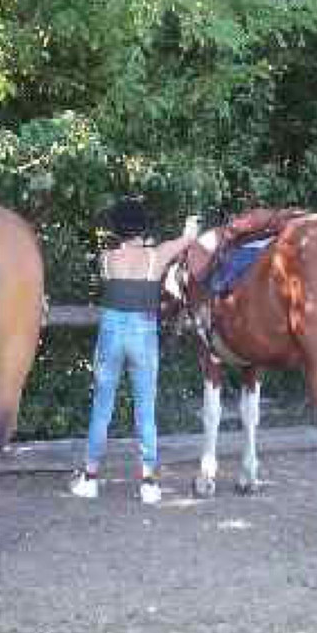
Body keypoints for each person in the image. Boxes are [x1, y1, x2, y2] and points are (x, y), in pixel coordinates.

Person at [70, 198, 199, 504]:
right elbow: (189, 239)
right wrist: (191, 223)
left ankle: (90, 477)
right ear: (143, 227)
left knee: (102, 407)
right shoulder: (158, 255)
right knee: (145, 410)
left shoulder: (105, 258)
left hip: (111, 331)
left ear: (116, 228)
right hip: (143, 332)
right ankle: (149, 483)